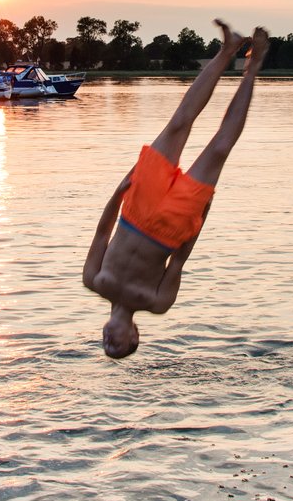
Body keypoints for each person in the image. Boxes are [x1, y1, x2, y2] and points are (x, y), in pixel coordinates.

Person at [83, 21, 269, 358]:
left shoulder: (94, 281)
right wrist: (200, 217)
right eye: (119, 346)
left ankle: (227, 50)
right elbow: (180, 260)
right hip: (172, 228)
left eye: (105, 344)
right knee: (219, 149)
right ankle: (251, 70)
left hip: (135, 210)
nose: (110, 341)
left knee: (179, 123)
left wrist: (118, 191)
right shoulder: (157, 302)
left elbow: (101, 233)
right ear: (135, 336)